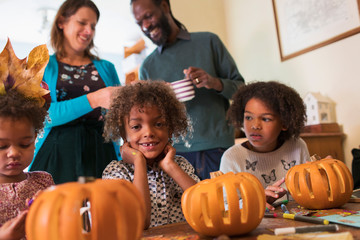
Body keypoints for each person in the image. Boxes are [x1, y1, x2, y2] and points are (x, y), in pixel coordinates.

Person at [130, 0, 245, 180]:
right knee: (187, 209)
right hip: (174, 156)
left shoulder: (209, 41)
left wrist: (213, 82)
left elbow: (241, 92)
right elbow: (147, 119)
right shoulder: (147, 66)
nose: (145, 26)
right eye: (139, 22)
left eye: (148, 16)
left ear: (165, 7)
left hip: (218, 149)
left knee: (227, 206)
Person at [29, 0, 122, 184]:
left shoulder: (107, 68)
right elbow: (40, 116)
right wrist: (94, 99)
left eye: (93, 26)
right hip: (54, 156)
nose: (89, 31)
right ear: (61, 22)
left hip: (102, 154)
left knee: (102, 211)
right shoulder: (44, 67)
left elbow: (121, 119)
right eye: (82, 23)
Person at [102, 81, 200, 229]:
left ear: (171, 129)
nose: (148, 133)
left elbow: (207, 206)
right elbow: (139, 222)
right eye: (136, 127)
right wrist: (138, 162)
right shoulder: (116, 172)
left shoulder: (180, 165)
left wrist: (170, 166)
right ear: (123, 134)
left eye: (159, 124)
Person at [219, 81, 310, 210]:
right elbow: (224, 206)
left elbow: (309, 190)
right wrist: (253, 201)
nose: (255, 125)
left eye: (266, 119)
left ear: (284, 122)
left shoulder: (297, 146)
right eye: (248, 117)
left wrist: (322, 175)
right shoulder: (232, 157)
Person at [0, 41, 54, 239]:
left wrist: (51, 206)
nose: (13, 152)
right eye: (1, 146)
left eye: (24, 144)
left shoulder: (44, 181)